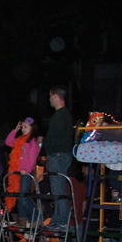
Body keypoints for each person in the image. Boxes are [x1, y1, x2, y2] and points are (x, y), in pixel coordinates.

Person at [42, 86, 74, 231]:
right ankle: (60, 218)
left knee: (58, 188)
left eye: (50, 96)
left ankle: (62, 219)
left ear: (55, 96)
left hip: (58, 156)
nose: (49, 99)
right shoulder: (65, 115)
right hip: (61, 155)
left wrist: (45, 143)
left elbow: (55, 137)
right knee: (58, 188)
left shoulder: (60, 115)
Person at [5, 118, 41, 229]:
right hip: (17, 171)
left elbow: (32, 157)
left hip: (26, 172)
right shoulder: (20, 139)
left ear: (32, 128)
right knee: (19, 196)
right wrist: (15, 130)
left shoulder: (33, 141)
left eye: (26, 127)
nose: (23, 129)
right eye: (23, 127)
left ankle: (36, 218)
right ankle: (22, 219)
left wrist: (28, 169)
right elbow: (8, 142)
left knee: (24, 196)